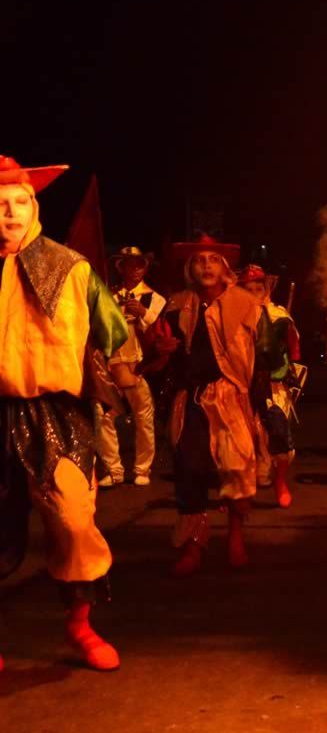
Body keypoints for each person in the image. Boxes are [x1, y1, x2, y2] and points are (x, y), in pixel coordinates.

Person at [0, 156, 128, 671]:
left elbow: (114, 331)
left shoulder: (71, 268)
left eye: (18, 202)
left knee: (74, 521)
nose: (9, 213)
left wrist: (129, 370)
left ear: (35, 207)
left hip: (56, 412)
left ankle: (80, 625)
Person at [160, 235, 261, 576]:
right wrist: (165, 350)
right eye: (200, 260)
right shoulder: (176, 306)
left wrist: (262, 406)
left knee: (236, 466)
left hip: (232, 396)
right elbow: (160, 361)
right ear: (190, 268)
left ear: (225, 269)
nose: (206, 265)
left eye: (213, 260)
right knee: (190, 469)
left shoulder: (247, 304)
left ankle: (235, 535)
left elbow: (262, 356)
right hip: (191, 399)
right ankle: (193, 545)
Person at [96, 246, 165, 488]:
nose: (134, 269)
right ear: (121, 267)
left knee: (144, 419)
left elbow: (161, 334)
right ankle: (113, 468)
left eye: (138, 264)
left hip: (140, 365)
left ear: (144, 267)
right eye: (128, 264)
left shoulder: (155, 298)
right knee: (104, 415)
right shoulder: (109, 295)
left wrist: (144, 314)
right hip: (112, 365)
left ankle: (142, 468)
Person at [239, 264, 301, 508]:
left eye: (258, 287)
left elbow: (293, 349)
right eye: (249, 288)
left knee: (277, 432)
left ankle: (280, 481)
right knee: (242, 436)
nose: (254, 292)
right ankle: (241, 488)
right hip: (241, 383)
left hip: (273, 383)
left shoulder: (279, 315)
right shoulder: (232, 314)